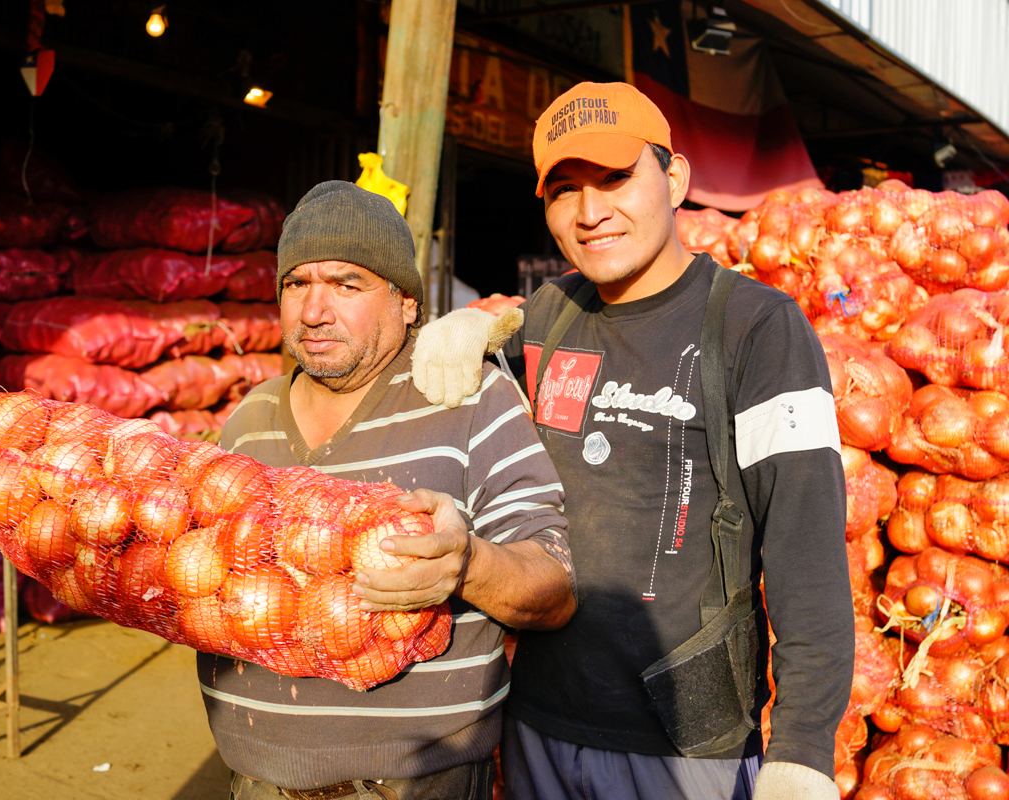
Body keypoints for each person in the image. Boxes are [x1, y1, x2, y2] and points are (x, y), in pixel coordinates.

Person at [406, 82, 852, 799]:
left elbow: (806, 546)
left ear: (673, 178)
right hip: (538, 724)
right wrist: (478, 327)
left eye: (616, 177)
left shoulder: (759, 328)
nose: (591, 212)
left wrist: (802, 744)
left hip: (682, 747)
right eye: (564, 190)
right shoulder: (548, 316)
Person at [199, 180, 577, 800]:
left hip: (420, 783)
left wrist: (469, 566)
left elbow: (554, 587)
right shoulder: (247, 419)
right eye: (297, 284)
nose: (314, 310)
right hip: (255, 780)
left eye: (347, 284)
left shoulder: (469, 398)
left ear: (406, 303)